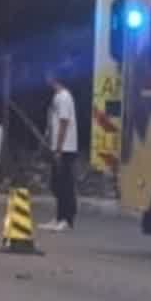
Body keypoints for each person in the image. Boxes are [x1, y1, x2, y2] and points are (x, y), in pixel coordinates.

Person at [46, 70, 82, 230]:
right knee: (57, 184)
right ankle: (59, 217)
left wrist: (59, 148)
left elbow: (64, 122)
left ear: (53, 78)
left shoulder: (64, 97)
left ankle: (67, 219)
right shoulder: (57, 96)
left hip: (65, 148)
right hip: (59, 147)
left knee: (65, 184)